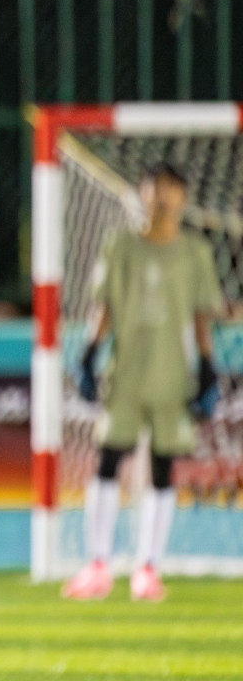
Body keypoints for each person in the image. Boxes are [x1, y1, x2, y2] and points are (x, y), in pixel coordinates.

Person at [63, 162, 223, 602]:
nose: (162, 198)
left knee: (163, 465)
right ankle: (98, 564)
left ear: (183, 199)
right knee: (108, 458)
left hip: (173, 374)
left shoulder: (195, 253)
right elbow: (104, 307)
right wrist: (88, 353)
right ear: (142, 193)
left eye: (172, 189)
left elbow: (200, 314)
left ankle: (147, 568)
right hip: (126, 371)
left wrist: (209, 367)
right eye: (155, 189)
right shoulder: (120, 247)